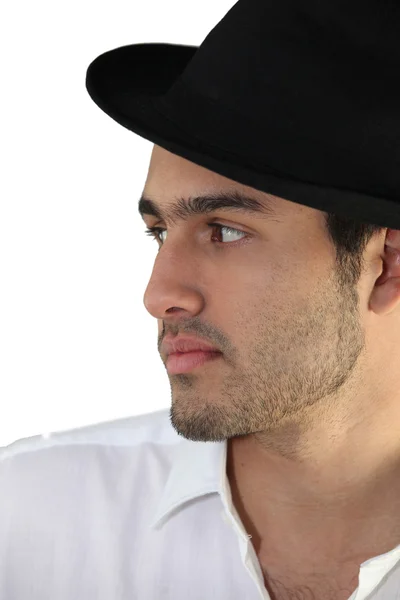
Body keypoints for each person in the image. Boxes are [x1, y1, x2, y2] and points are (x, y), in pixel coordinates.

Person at [2, 0, 400, 599]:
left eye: (225, 231)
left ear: (387, 264)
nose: (159, 295)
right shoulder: (33, 522)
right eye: (159, 233)